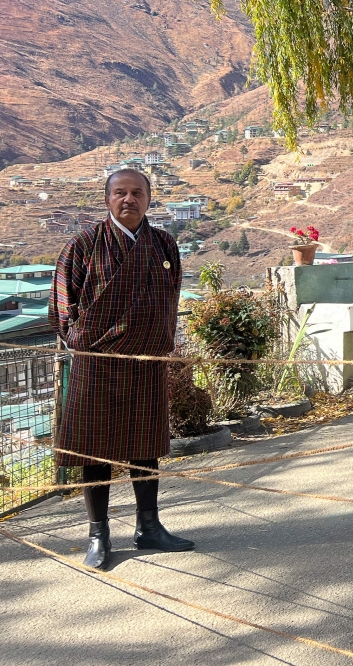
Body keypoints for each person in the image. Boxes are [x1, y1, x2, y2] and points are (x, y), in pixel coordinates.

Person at [48, 168, 193, 570]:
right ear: (107, 198)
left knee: (145, 447)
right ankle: (98, 533)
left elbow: (171, 298)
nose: (128, 199)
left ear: (149, 198)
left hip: (146, 362)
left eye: (137, 193)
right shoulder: (82, 246)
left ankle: (149, 526)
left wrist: (159, 342)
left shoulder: (163, 243)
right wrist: (85, 344)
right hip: (96, 363)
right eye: (120, 193)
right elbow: (62, 307)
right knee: (94, 450)